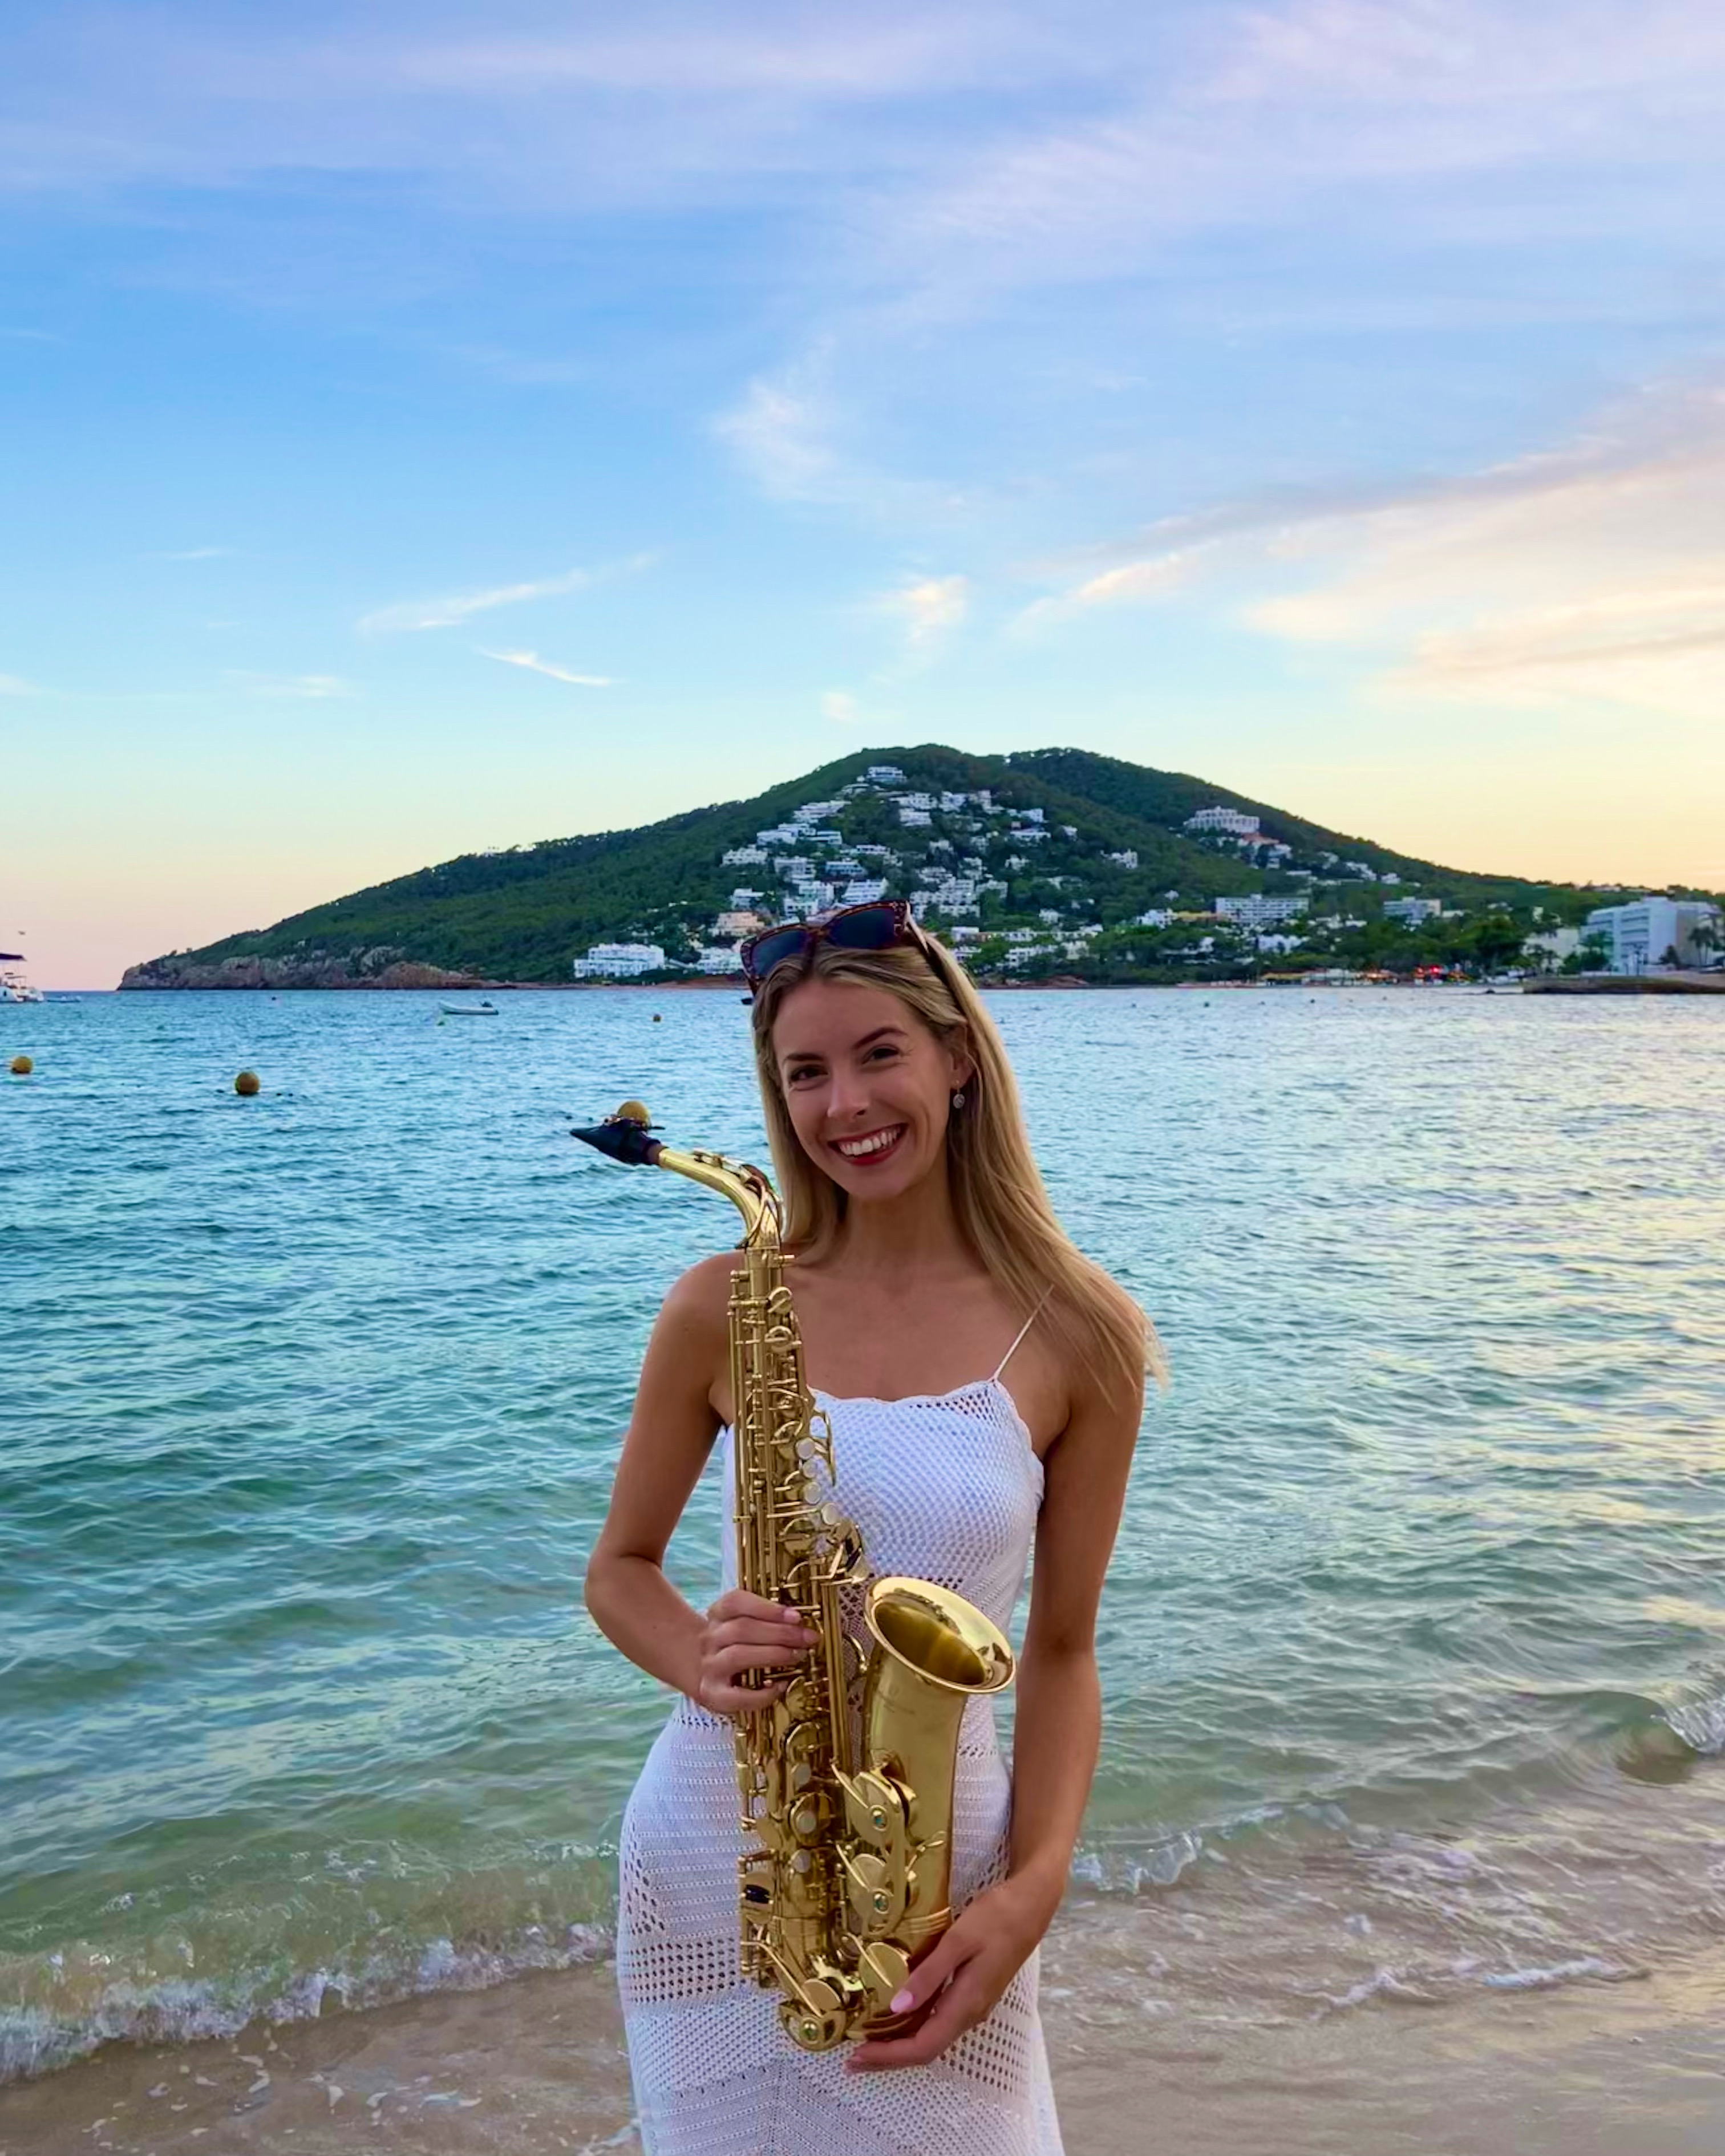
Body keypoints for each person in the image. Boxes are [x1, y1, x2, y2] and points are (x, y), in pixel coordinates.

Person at [583, 900, 1160, 2155]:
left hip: (943, 1875)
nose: (844, 1103)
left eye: (878, 1053)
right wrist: (692, 1652)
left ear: (958, 1057)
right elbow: (619, 1572)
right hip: (717, 1854)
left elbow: (1063, 1650)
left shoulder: (1083, 1333)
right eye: (805, 1072)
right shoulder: (719, 1304)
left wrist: (1036, 1887)